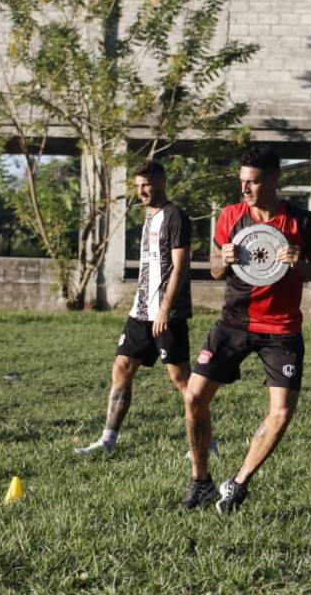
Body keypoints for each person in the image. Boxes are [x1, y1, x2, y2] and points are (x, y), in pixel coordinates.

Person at [178, 145, 311, 511]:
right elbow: (214, 268)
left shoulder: (302, 221)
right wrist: (223, 260)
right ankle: (201, 483)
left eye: (253, 182)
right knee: (194, 397)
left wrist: (298, 264)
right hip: (235, 322)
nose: (245, 189)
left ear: (275, 180)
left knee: (281, 413)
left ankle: (238, 483)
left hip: (281, 328)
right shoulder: (231, 216)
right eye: (242, 181)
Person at [75, 160, 217, 457]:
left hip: (168, 314)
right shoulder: (149, 217)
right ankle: (107, 441)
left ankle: (206, 442)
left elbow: (180, 267)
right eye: (137, 186)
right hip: (140, 312)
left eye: (146, 185)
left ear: (161, 182)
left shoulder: (176, 217)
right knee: (122, 367)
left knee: (182, 380)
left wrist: (164, 309)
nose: (141, 191)